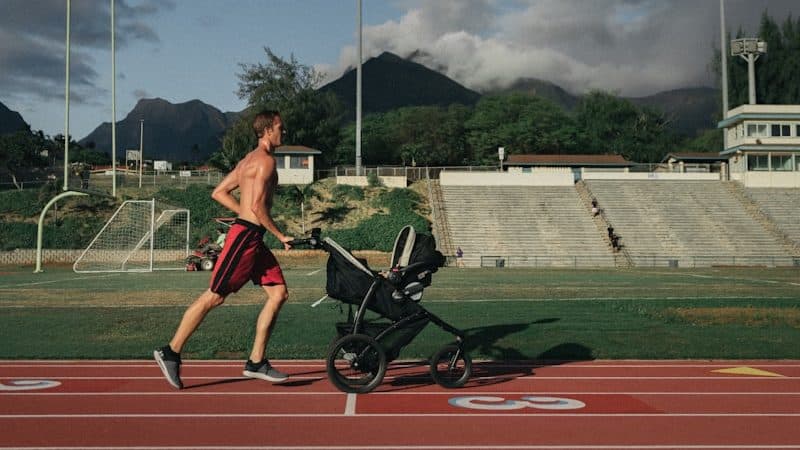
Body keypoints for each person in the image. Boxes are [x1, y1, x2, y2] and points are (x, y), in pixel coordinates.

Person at [153, 110, 294, 389]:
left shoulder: (247, 161)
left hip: (253, 236)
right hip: (245, 238)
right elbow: (256, 207)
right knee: (214, 297)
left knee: (278, 293)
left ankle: (256, 361)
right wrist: (281, 235)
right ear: (267, 130)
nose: (284, 132)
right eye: (280, 127)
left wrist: (248, 215)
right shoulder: (265, 162)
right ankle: (171, 351)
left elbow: (218, 192)